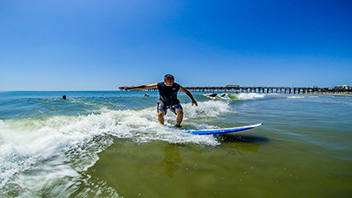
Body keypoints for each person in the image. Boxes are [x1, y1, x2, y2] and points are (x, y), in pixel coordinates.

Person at [121, 74, 198, 128]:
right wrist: (130, 88)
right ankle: (162, 127)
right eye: (170, 81)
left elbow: (186, 91)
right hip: (163, 102)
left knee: (180, 113)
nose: (172, 82)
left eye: (173, 80)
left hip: (174, 102)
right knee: (160, 115)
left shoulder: (177, 86)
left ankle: (178, 125)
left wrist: (193, 100)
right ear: (165, 80)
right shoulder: (159, 85)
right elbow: (145, 86)